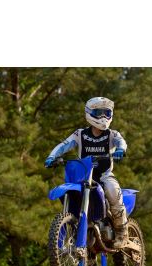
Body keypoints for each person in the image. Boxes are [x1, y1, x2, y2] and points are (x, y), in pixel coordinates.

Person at [44, 96, 128, 249]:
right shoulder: (80, 134)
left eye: (107, 113)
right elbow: (63, 145)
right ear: (89, 113)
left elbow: (121, 142)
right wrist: (52, 157)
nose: (103, 117)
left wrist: (121, 150)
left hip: (104, 175)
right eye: (99, 113)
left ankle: (122, 231)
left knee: (113, 190)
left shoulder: (112, 134)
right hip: (83, 176)